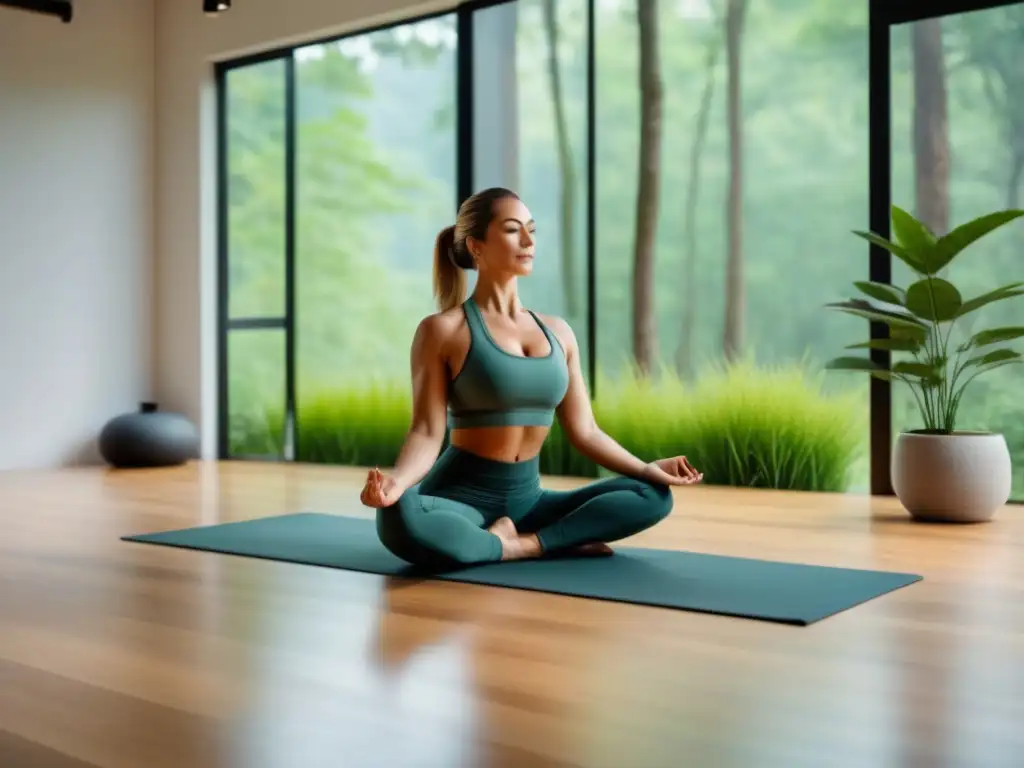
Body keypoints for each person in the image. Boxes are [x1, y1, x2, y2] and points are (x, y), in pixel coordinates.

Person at [360, 187, 703, 569]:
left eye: (532, 230)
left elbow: (586, 432)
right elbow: (426, 431)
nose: (528, 241)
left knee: (652, 495)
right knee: (397, 515)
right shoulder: (442, 331)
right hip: (460, 501)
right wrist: (397, 483)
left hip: (530, 501)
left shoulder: (559, 332)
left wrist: (646, 468)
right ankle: (547, 542)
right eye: (512, 230)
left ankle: (517, 544)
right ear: (476, 246)